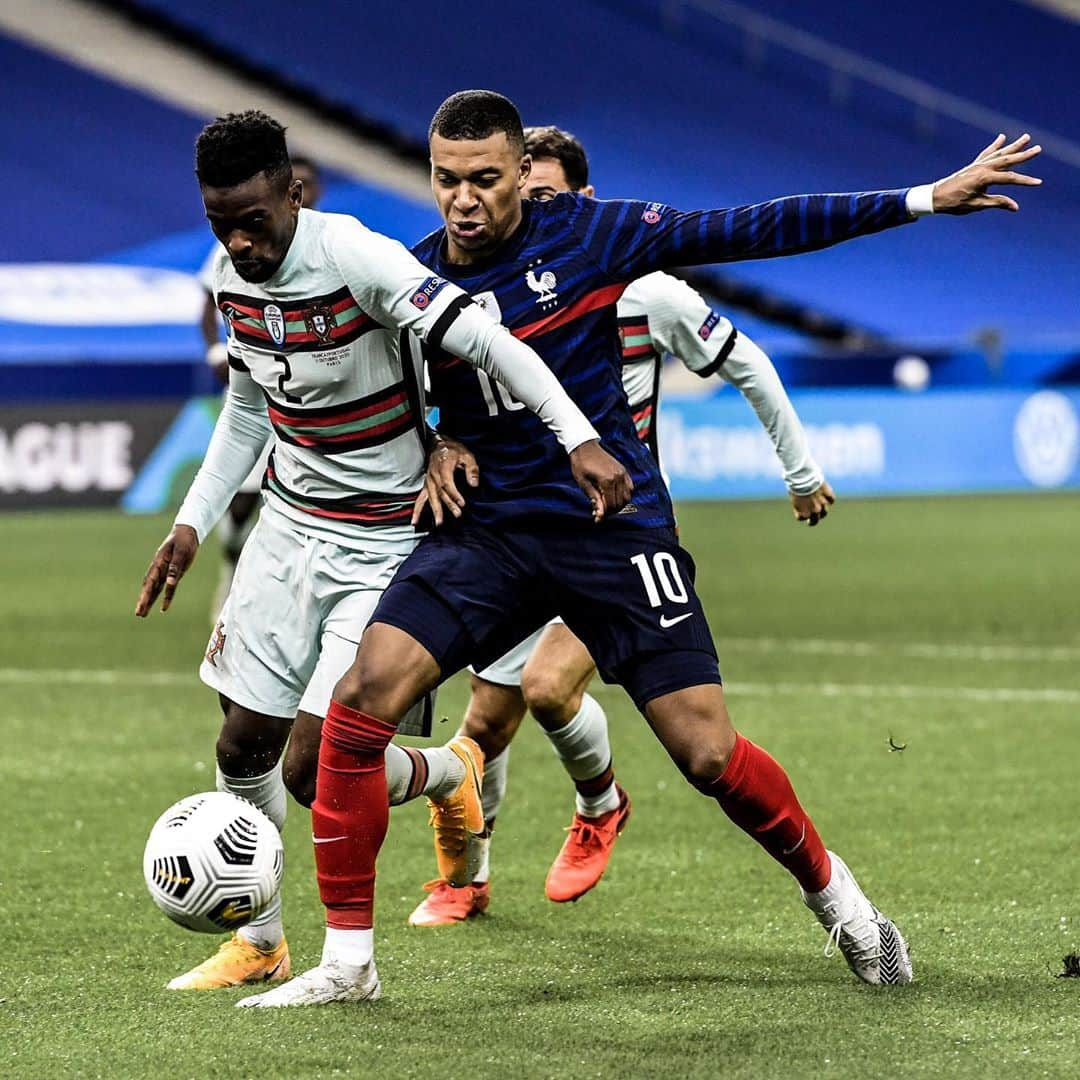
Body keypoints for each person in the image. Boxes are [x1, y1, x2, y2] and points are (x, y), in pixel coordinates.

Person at [237, 90, 1041, 1008]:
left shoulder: (593, 236)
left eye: (486, 180)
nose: (463, 201)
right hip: (490, 535)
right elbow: (375, 393)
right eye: (446, 180)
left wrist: (925, 199)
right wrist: (435, 443)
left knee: (705, 753)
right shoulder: (413, 277)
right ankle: (348, 965)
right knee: (359, 699)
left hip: (609, 527)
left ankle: (841, 902)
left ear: (521, 180)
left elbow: (754, 226)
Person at [135, 109, 631, 991]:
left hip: (385, 541)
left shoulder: (358, 257)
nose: (239, 239)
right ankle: (263, 939)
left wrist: (576, 435)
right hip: (288, 526)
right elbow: (250, 407)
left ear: (294, 192)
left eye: (253, 217)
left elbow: (483, 340)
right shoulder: (233, 275)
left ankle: (437, 797)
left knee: (313, 764)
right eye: (220, 222)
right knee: (242, 745)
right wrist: (190, 521)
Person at [408, 124, 835, 927]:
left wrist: (801, 469)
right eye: (525, 195)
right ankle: (466, 878)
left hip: (616, 525)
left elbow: (745, 360)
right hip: (513, 521)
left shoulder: (646, 288)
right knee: (485, 721)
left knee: (546, 688)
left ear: (584, 200)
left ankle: (600, 802)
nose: (535, 211)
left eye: (547, 197)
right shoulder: (475, 291)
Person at [198, 157, 323, 619]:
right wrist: (218, 352)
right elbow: (208, 308)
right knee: (241, 503)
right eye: (299, 184)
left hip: (313, 410)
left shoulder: (336, 248)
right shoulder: (237, 252)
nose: (306, 193)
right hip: (260, 399)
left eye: (311, 186)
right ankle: (231, 564)